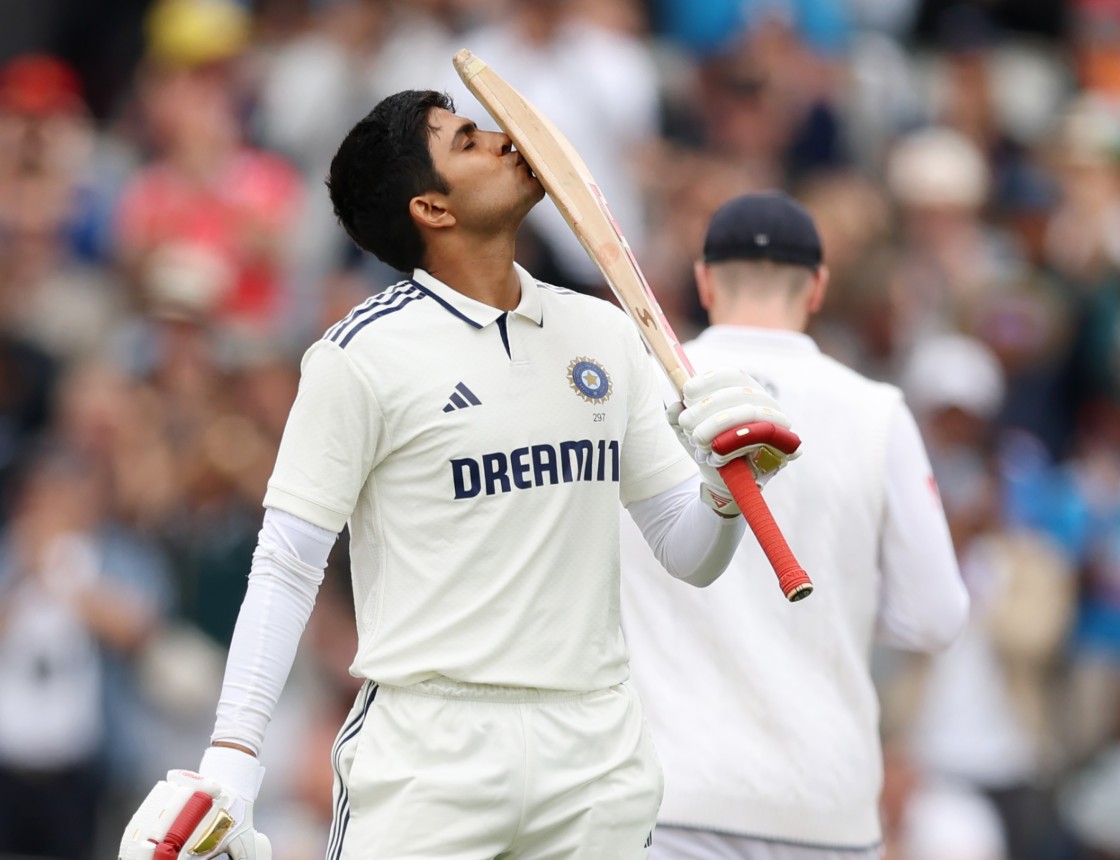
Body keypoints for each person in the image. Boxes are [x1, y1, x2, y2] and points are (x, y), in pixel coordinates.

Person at [118, 90, 798, 860]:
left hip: (596, 747)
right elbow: (286, 564)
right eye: (468, 140)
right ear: (432, 209)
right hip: (429, 751)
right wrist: (231, 764)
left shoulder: (603, 333)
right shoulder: (360, 357)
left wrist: (729, 486)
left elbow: (687, 552)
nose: (509, 141)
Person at [618, 191, 970, 859]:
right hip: (822, 804)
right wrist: (845, 602)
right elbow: (935, 617)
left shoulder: (633, 389)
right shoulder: (876, 410)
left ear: (702, 281)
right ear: (816, 287)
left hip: (664, 797)